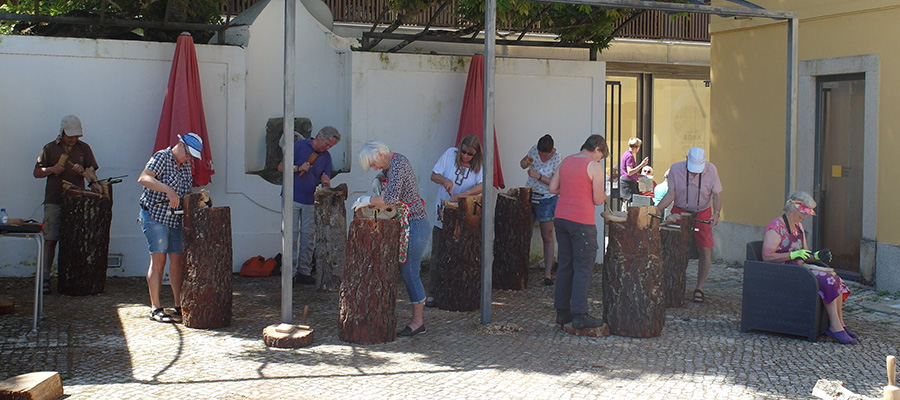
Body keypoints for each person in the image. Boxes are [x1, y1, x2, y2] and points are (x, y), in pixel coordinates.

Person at [353, 141, 429, 337]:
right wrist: (379, 177)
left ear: (380, 154)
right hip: (407, 225)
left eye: (373, 164)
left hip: (415, 224)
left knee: (410, 272)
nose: (373, 167)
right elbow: (390, 180)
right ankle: (416, 319)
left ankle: (418, 322)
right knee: (407, 271)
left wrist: (367, 200)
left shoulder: (399, 163)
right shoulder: (392, 165)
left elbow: (390, 199)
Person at [761, 191, 856, 344]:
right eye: (802, 212)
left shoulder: (798, 227)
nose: (804, 216)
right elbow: (767, 256)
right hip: (783, 273)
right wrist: (792, 255)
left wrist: (817, 256)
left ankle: (840, 324)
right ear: (792, 207)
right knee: (828, 280)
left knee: (835, 279)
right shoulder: (776, 227)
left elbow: (805, 254)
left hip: (800, 270)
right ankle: (834, 327)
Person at [137, 132, 203, 323]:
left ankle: (178, 303)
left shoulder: (186, 166)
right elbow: (143, 178)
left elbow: (186, 191)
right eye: (188, 154)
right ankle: (156, 307)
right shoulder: (162, 157)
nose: (189, 158)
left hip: (175, 218)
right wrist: (167, 189)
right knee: (159, 260)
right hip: (155, 215)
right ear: (180, 145)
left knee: (178, 260)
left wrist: (196, 200)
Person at [33, 115, 100, 295]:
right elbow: (37, 172)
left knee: (75, 240)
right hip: (54, 199)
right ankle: (45, 276)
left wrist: (84, 171)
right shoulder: (49, 148)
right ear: (62, 132)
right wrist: (51, 170)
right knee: (50, 239)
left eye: (77, 136)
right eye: (71, 136)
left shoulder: (84, 149)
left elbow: (92, 174)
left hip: (77, 202)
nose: (74, 139)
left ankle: (72, 278)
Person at [549, 134, 608, 329]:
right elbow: (598, 199)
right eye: (600, 156)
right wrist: (605, 195)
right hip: (582, 222)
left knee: (566, 265)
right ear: (597, 149)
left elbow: (552, 188)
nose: (599, 160)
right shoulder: (593, 166)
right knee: (583, 268)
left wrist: (570, 190)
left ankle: (562, 312)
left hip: (561, 218)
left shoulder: (566, 161)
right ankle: (580, 314)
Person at [655, 147, 722, 304]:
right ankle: (671, 285)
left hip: (703, 210)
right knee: (674, 247)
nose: (694, 173)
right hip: (680, 210)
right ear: (686, 159)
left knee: (705, 249)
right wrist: (658, 208)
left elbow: (717, 195)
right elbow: (671, 194)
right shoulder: (675, 169)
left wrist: (716, 213)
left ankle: (699, 287)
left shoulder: (711, 170)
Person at [276, 126, 341, 285]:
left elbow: (324, 178)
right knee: (291, 234)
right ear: (319, 136)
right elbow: (281, 168)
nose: (327, 147)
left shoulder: (326, 157)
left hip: (311, 200)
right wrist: (298, 168)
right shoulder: (299, 146)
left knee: (308, 236)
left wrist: (326, 182)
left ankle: (304, 272)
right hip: (292, 197)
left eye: (330, 146)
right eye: (326, 144)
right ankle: (289, 273)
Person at [425, 135, 483, 307]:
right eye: (463, 152)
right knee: (438, 253)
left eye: (469, 154)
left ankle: (459, 290)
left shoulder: (479, 165)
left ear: (476, 154)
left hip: (466, 215)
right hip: (443, 212)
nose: (465, 156)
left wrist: (462, 195)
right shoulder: (450, 154)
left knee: (462, 254)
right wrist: (445, 180)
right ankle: (433, 292)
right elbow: (433, 175)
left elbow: (483, 185)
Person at [519, 134, 562, 286]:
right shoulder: (534, 151)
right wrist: (525, 162)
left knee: (547, 235)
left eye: (545, 155)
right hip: (530, 194)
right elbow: (523, 164)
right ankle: (521, 270)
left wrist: (538, 176)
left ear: (551, 152)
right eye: (540, 154)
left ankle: (547, 273)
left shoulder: (557, 158)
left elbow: (556, 183)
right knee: (525, 232)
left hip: (547, 198)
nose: (542, 157)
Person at [619, 137, 649, 207]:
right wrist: (642, 164)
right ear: (637, 147)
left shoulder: (626, 154)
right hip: (628, 185)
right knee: (630, 208)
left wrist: (638, 175)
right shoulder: (630, 156)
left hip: (626, 183)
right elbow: (629, 172)